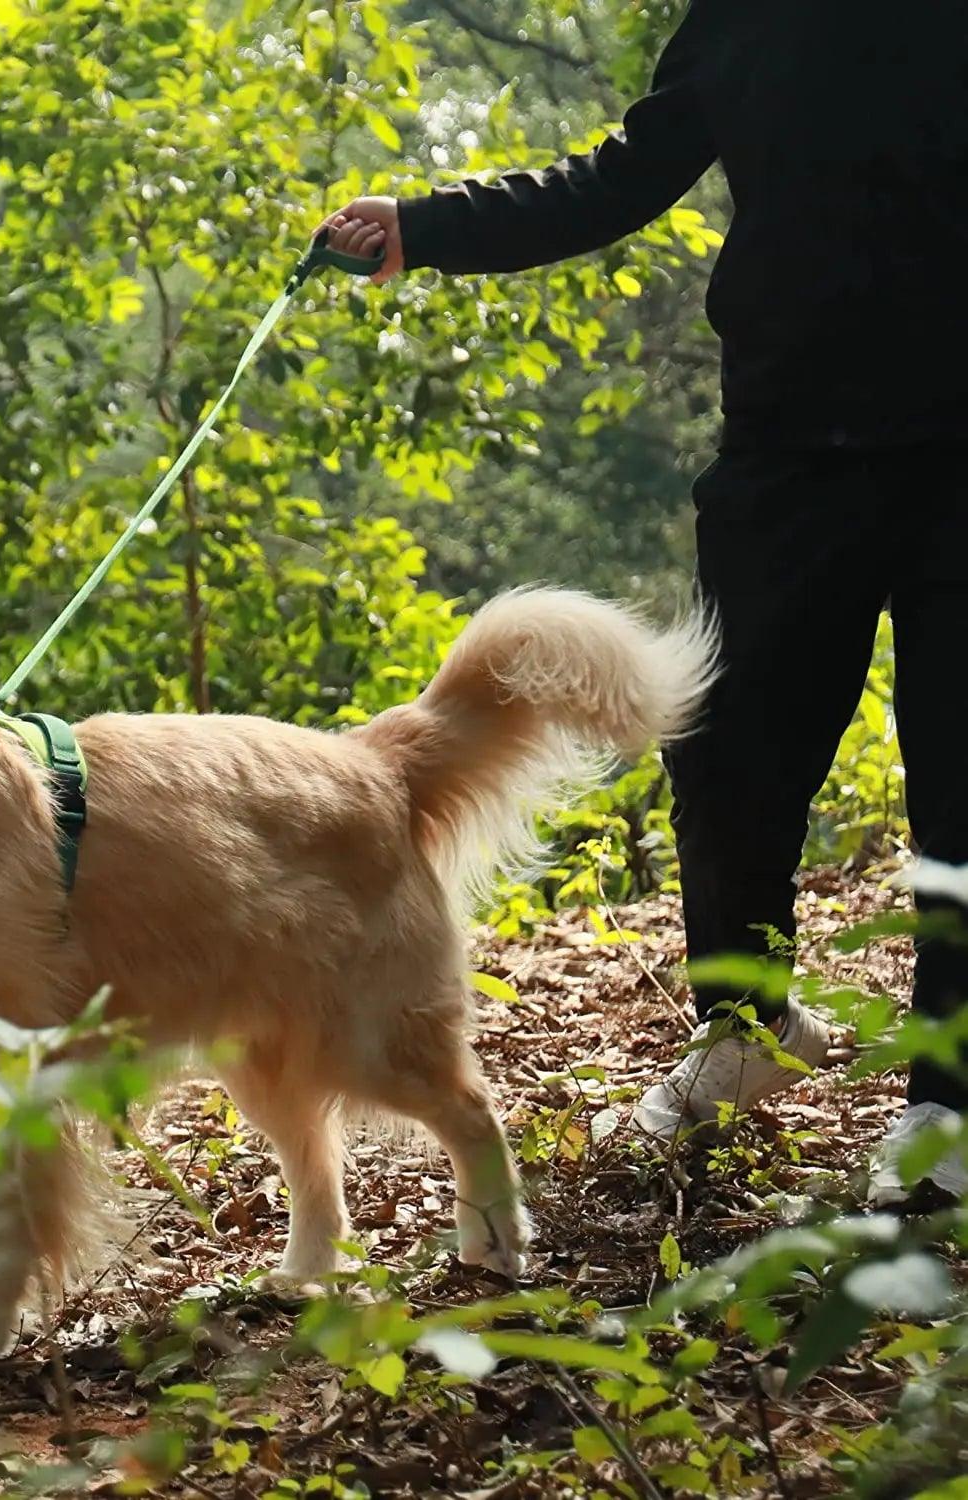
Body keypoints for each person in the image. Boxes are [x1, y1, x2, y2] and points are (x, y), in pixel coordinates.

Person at [321, 0, 968, 1202]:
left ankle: (949, 1099)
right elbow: (629, 172)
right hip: (788, 456)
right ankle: (746, 1031)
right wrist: (425, 225)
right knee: (727, 757)